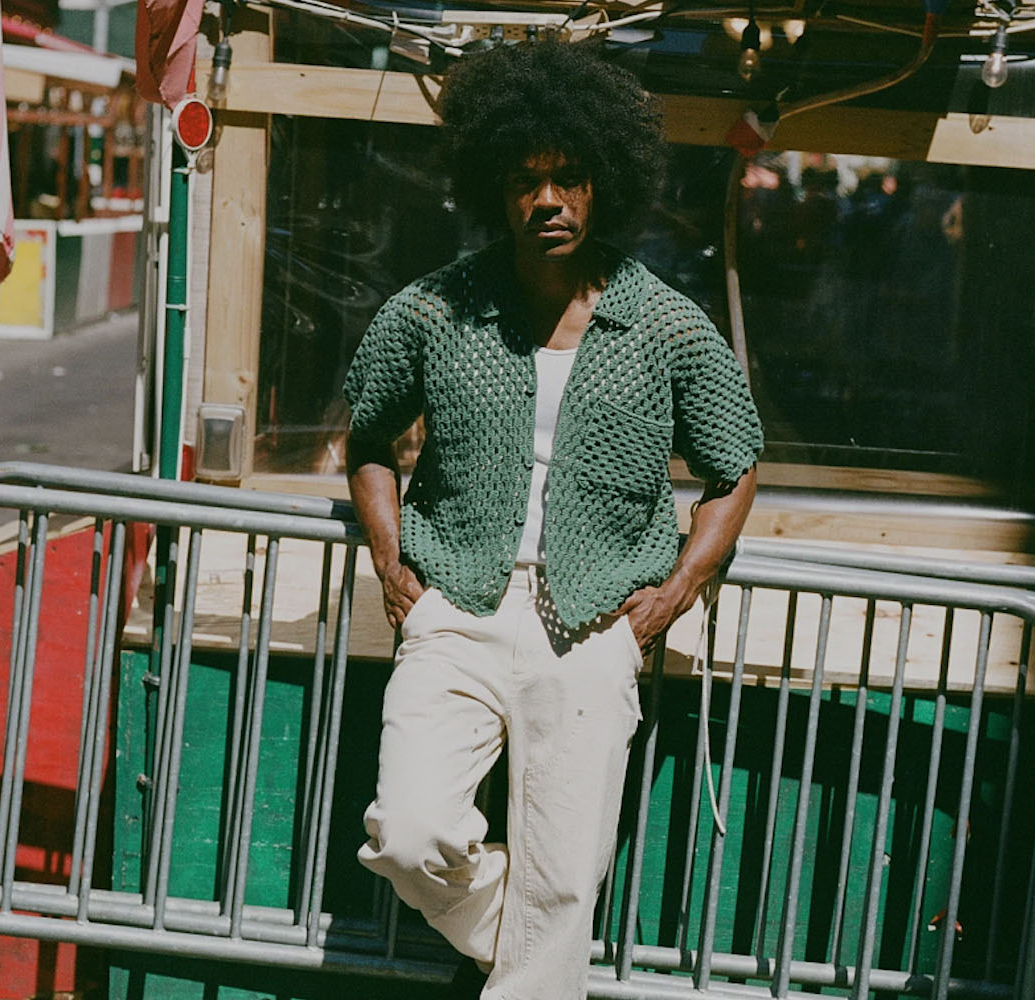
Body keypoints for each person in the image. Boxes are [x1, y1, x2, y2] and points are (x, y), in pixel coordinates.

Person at [343, 42, 763, 1000]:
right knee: (409, 834)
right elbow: (367, 437)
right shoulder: (435, 311)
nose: (548, 202)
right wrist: (388, 558)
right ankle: (533, 953)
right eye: (526, 181)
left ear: (602, 185)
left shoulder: (664, 324)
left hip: (594, 623)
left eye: (568, 179)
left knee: (566, 878)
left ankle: (539, 958)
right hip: (456, 605)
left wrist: (677, 591)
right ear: (492, 186)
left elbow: (734, 464)